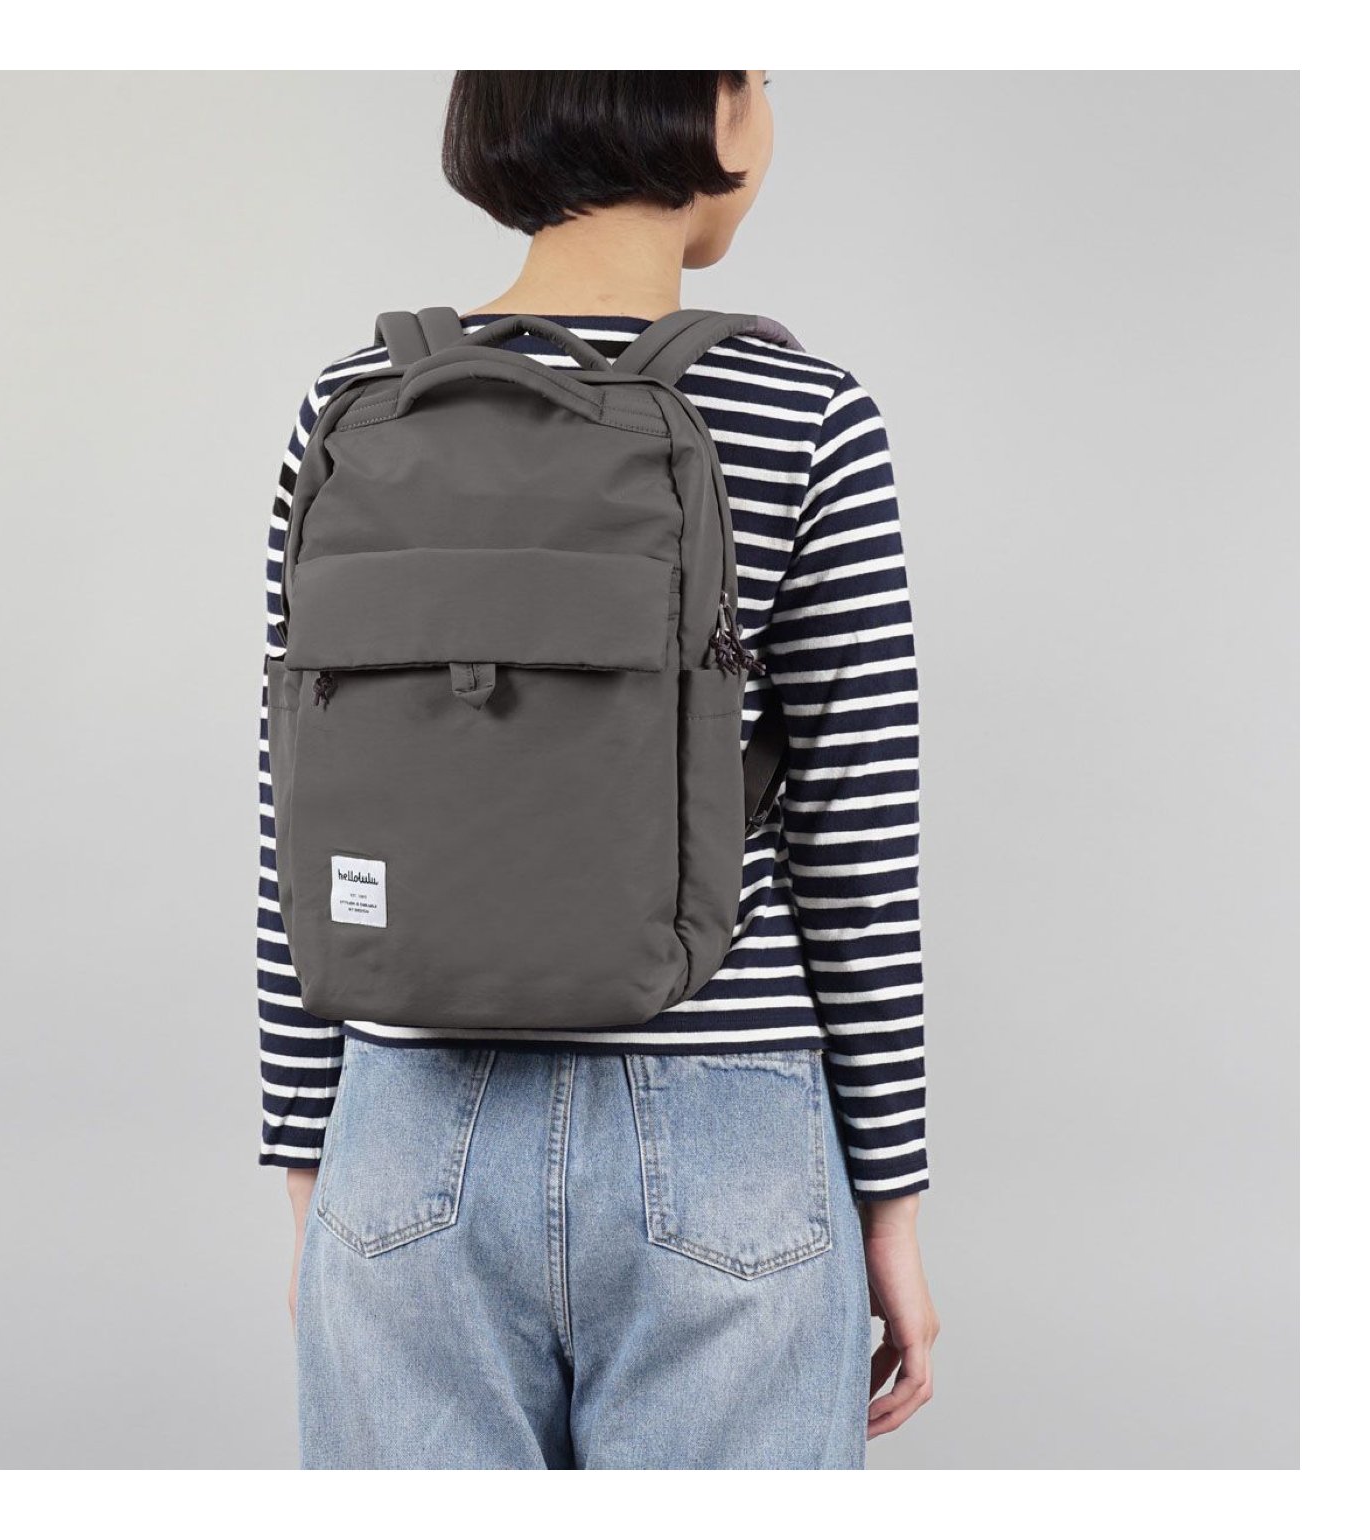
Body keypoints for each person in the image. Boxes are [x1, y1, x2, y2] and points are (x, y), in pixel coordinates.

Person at [258, 70, 939, 1469]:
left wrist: (312, 1170)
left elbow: (299, 820)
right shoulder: (806, 412)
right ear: (722, 109)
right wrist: (891, 1210)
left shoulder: (351, 403)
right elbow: (857, 844)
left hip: (405, 1118)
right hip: (725, 1129)